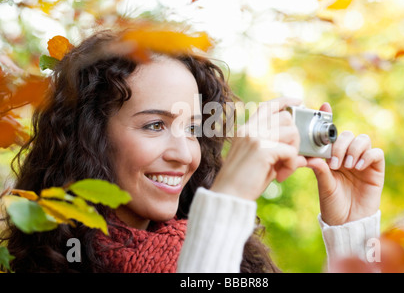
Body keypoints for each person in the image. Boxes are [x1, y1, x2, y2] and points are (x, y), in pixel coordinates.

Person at [1, 29, 384, 273]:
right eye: (155, 125)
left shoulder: (238, 261)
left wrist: (351, 232)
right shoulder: (54, 262)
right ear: (89, 136)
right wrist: (228, 198)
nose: (185, 154)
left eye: (193, 129)